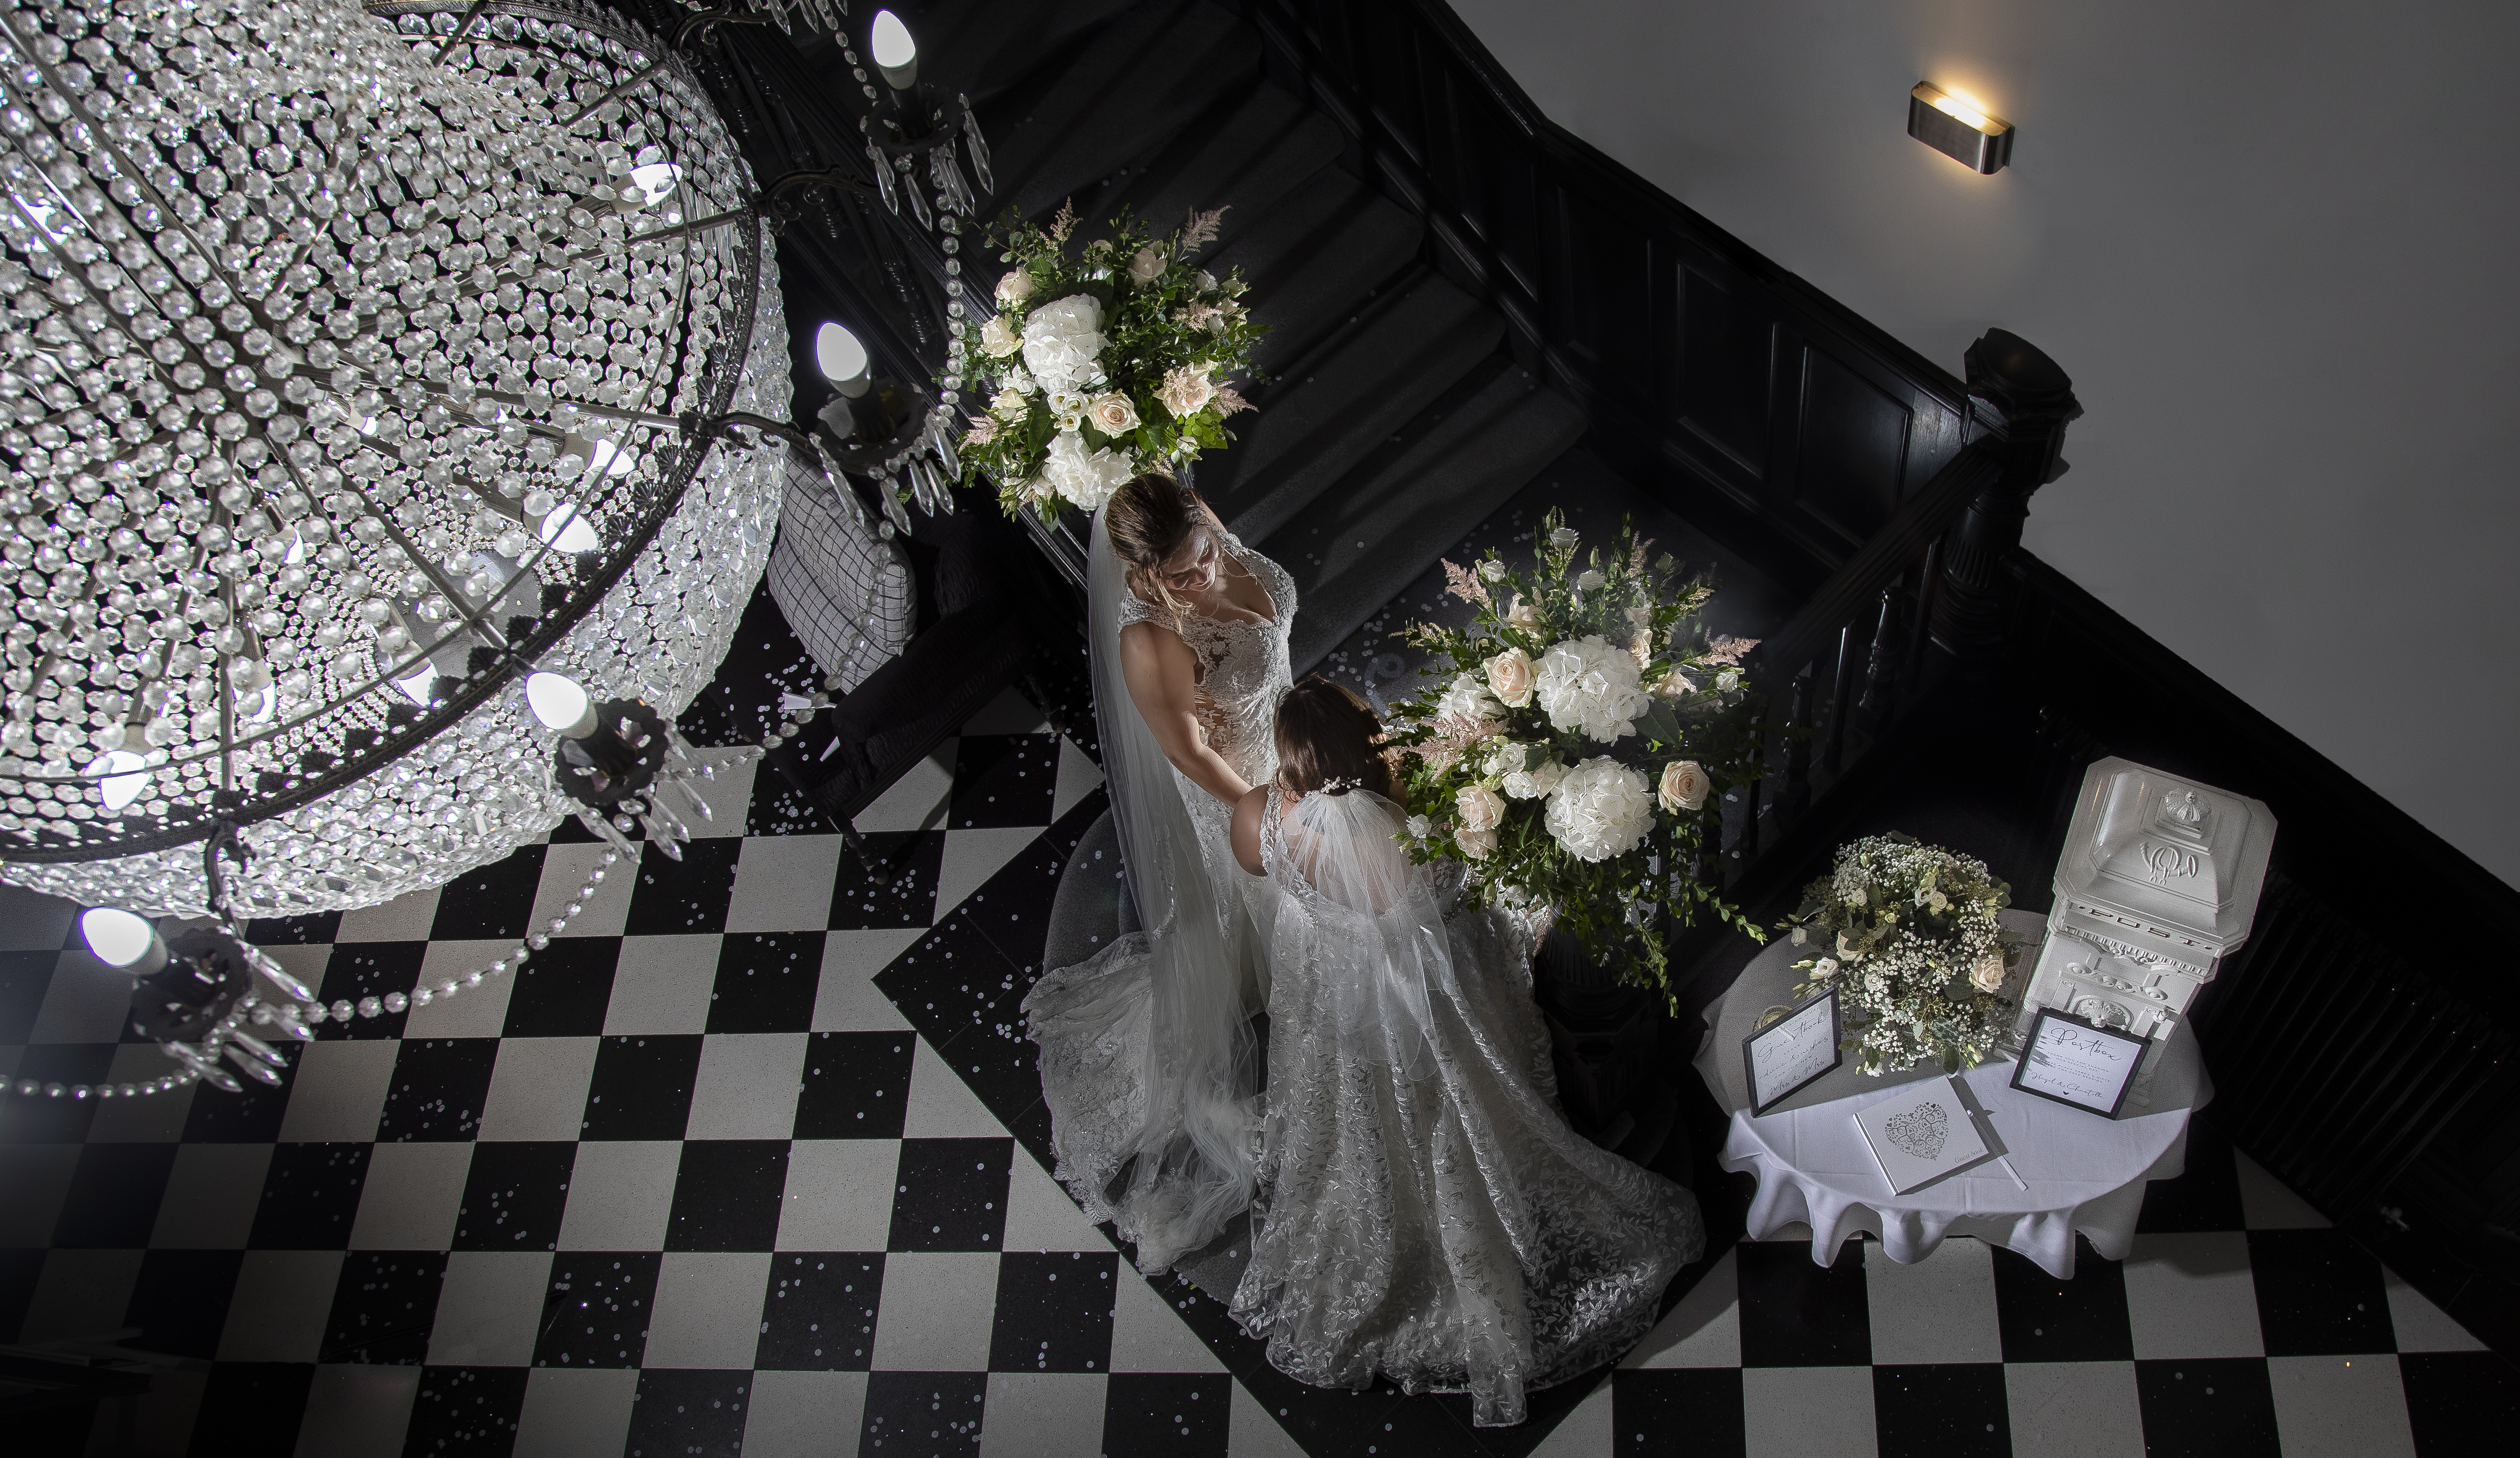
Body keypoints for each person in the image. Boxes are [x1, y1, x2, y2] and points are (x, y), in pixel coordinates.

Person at [1226, 678, 1703, 1427]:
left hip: (1341, 996)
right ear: (1373, 744)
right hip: (1442, 994)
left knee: (1365, 1107)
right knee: (1465, 1088)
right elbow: (1471, 882)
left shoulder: (1258, 815)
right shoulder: (1426, 804)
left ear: (1291, 768)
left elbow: (1258, 869)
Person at [1021, 471, 1297, 1273]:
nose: (1203, 576)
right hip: (1236, 784)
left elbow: (1250, 606)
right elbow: (1187, 750)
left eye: (1205, 554)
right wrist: (1261, 809)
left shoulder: (1195, 523)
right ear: (1142, 576)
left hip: (1279, 737)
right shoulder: (1147, 638)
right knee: (1262, 899)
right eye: (1179, 575)